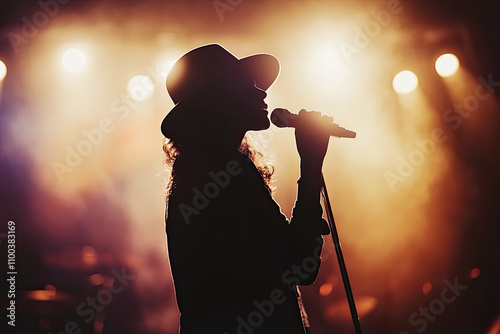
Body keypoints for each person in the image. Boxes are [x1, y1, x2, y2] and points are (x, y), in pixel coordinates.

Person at [161, 44, 331, 334]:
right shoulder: (223, 172)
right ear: (216, 101)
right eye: (245, 85)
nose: (261, 92)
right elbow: (301, 265)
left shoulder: (201, 171)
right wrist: (311, 165)